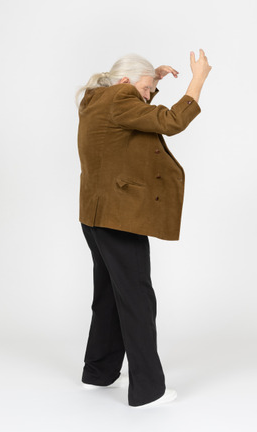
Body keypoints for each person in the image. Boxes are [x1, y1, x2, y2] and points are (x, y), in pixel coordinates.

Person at [75, 50, 212, 408]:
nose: (150, 96)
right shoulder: (121, 97)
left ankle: (99, 373)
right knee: (137, 299)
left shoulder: (95, 98)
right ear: (125, 82)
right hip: (119, 218)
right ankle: (148, 391)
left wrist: (155, 78)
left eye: (151, 91)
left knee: (108, 297)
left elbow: (134, 109)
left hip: (95, 217)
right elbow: (169, 122)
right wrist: (198, 79)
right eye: (148, 88)